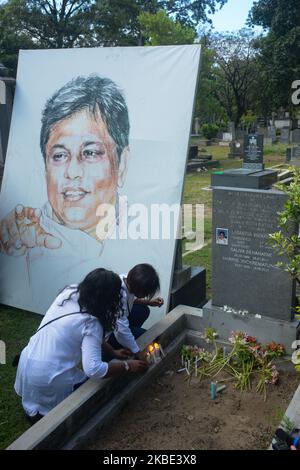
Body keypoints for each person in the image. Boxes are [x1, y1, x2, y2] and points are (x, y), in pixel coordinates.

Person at [0, 74, 130, 256]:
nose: (73, 172)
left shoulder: (148, 223)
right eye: (60, 156)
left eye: (90, 153)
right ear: (45, 167)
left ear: (122, 164)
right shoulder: (19, 239)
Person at [14, 268, 148, 423]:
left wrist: (113, 352)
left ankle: (37, 405)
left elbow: (89, 335)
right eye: (116, 295)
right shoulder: (91, 322)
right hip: (48, 376)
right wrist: (127, 366)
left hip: (28, 363)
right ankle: (46, 413)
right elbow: (94, 369)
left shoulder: (69, 292)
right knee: (96, 389)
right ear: (107, 298)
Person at [106, 264, 164, 360]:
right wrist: (138, 352)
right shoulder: (119, 295)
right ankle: (113, 346)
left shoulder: (127, 279)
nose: (146, 295)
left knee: (143, 310)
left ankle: (126, 340)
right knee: (144, 336)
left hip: (116, 321)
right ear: (138, 289)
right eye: (146, 293)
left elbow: (130, 299)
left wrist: (148, 302)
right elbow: (120, 330)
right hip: (107, 330)